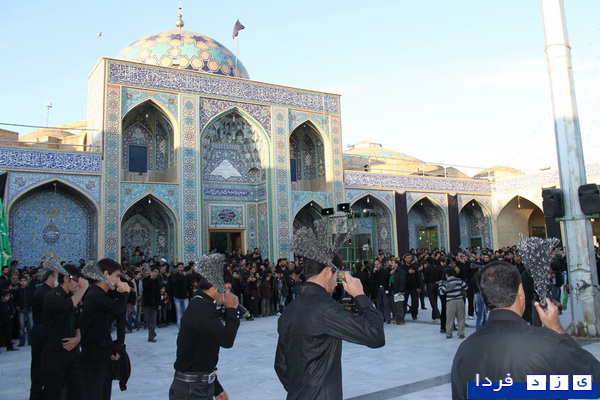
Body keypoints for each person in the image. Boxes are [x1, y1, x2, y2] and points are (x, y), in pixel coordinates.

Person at [451, 261, 600, 400]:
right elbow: (595, 382)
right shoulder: (548, 344)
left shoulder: (465, 350)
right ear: (521, 291)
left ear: (484, 299)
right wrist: (557, 330)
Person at [274, 256, 385, 399]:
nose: (336, 282)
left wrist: (303, 391)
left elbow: (281, 365)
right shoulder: (326, 309)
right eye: (336, 274)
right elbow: (375, 335)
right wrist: (359, 294)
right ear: (327, 271)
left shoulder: (290, 309)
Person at [169, 254, 240, 400]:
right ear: (215, 286)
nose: (227, 294)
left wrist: (216, 388)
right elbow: (227, 340)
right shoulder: (201, 308)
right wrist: (232, 310)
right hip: (191, 390)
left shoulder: (202, 304)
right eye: (226, 289)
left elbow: (201, 355)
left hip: (198, 385)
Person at [80, 258, 130, 400]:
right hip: (93, 356)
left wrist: (115, 347)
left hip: (102, 352)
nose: (118, 280)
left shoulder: (102, 294)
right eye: (117, 276)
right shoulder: (95, 295)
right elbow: (116, 308)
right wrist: (125, 293)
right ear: (106, 274)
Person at [41, 264, 88, 400]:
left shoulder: (72, 297)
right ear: (66, 278)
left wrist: (77, 338)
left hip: (73, 352)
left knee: (76, 389)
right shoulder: (52, 295)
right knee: (53, 391)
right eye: (76, 281)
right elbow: (65, 307)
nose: (78, 285)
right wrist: (83, 288)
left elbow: (77, 321)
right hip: (55, 351)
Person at [30, 269, 57, 400]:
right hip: (42, 332)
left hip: (42, 331)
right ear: (51, 277)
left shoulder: (43, 291)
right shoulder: (45, 293)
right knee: (39, 367)